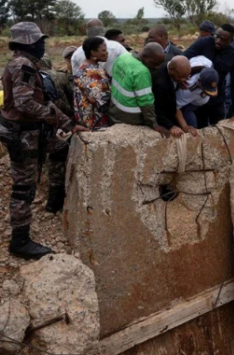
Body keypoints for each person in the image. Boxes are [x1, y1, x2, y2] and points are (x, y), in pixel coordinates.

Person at [1, 22, 88, 259]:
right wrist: (54, 119)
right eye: (39, 41)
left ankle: (54, 199)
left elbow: (41, 103)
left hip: (30, 133)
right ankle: (19, 241)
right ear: (27, 42)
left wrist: (67, 124)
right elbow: (25, 104)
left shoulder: (25, 64)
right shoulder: (23, 66)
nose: (42, 45)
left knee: (61, 147)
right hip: (24, 136)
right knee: (23, 187)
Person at [184, 24, 234, 125]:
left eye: (223, 39)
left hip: (217, 98)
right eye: (217, 36)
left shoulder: (233, 56)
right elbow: (184, 58)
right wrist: (181, 77)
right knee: (199, 127)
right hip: (197, 96)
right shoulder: (204, 42)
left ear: (231, 41)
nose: (218, 41)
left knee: (217, 128)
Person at [108, 43, 166, 131]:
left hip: (114, 110)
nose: (156, 68)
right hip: (130, 116)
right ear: (145, 56)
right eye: (154, 63)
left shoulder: (123, 57)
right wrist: (154, 124)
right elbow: (146, 103)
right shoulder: (141, 72)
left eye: (159, 64)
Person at [73, 37, 111, 130]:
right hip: (93, 124)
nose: (107, 53)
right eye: (104, 50)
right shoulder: (87, 74)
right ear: (93, 53)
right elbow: (101, 100)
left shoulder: (94, 67)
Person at [152, 56, 192, 137]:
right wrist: (171, 126)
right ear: (171, 70)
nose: (184, 80)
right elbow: (157, 110)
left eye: (186, 76)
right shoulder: (160, 83)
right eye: (181, 76)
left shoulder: (173, 61)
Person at [175, 56, 218, 129]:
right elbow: (174, 106)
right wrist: (185, 126)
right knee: (190, 120)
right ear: (199, 82)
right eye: (205, 89)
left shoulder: (208, 63)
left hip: (198, 102)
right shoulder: (187, 89)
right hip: (185, 101)